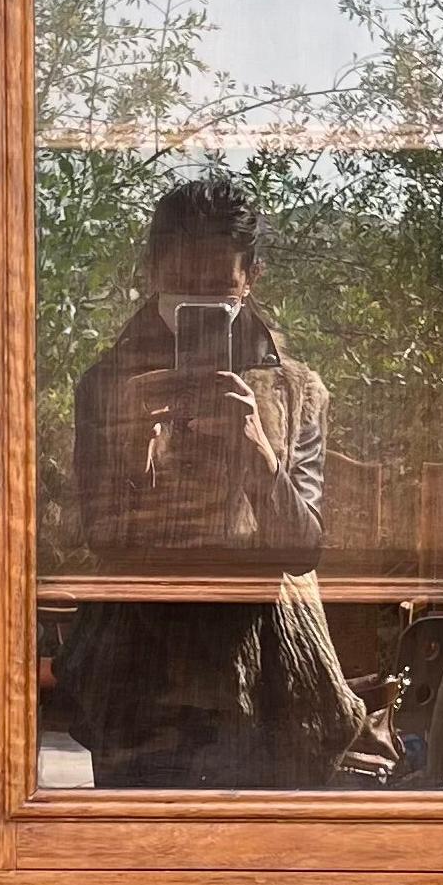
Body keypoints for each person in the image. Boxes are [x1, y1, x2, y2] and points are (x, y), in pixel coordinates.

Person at [57, 172, 374, 789]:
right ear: (153, 272)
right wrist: (134, 457)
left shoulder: (295, 390)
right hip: (141, 678)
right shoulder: (109, 386)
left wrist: (256, 453)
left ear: (250, 278)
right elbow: (101, 539)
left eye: (218, 289)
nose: (200, 303)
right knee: (145, 862)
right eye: (182, 287)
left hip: (275, 675)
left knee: (268, 871)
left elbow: (302, 548)